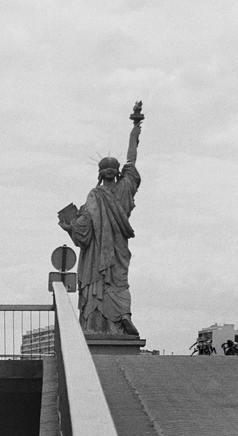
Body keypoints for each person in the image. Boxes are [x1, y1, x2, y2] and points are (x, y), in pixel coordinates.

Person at [59, 120, 142, 336]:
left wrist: (69, 226)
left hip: (97, 254)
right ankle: (123, 316)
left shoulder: (95, 196)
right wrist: (134, 131)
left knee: (98, 284)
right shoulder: (126, 187)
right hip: (118, 249)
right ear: (116, 172)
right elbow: (132, 158)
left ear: (100, 173)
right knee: (120, 283)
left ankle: (95, 324)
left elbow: (83, 230)